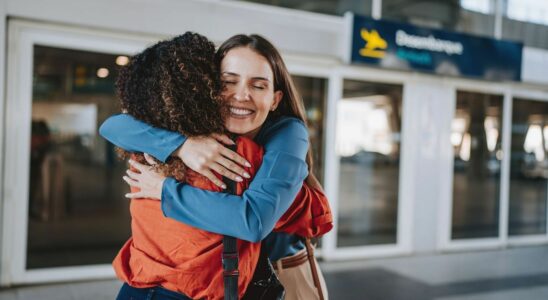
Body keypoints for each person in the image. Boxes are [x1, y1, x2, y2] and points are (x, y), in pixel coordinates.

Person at [101, 34, 332, 300]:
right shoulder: (199, 132)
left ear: (275, 99)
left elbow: (255, 220)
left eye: (258, 86)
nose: (242, 95)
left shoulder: (288, 133)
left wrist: (165, 190)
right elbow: (112, 125)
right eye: (228, 82)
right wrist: (182, 146)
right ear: (210, 88)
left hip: (275, 267)